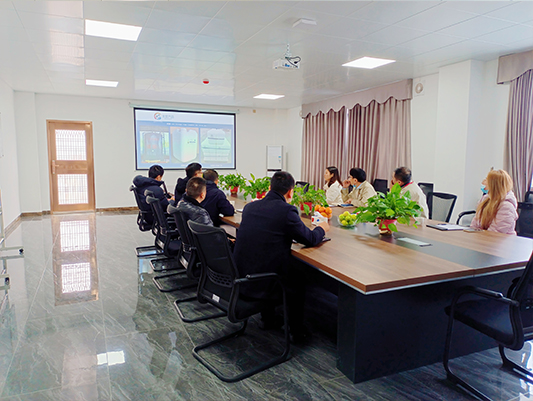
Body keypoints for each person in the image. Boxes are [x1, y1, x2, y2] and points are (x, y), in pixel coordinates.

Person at [233, 171, 329, 342]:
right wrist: (322, 228)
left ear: (269, 188)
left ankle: (267, 319)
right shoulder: (287, 211)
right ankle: (296, 332)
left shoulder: (250, 207)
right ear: (291, 192)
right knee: (298, 277)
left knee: (268, 260)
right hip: (264, 282)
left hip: (241, 276)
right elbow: (309, 238)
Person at [471, 169, 518, 235]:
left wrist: (478, 236)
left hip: (501, 240)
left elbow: (495, 232)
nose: (483, 182)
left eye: (486, 180)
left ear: (494, 185)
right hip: (484, 237)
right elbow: (475, 224)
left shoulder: (507, 207)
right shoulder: (485, 199)